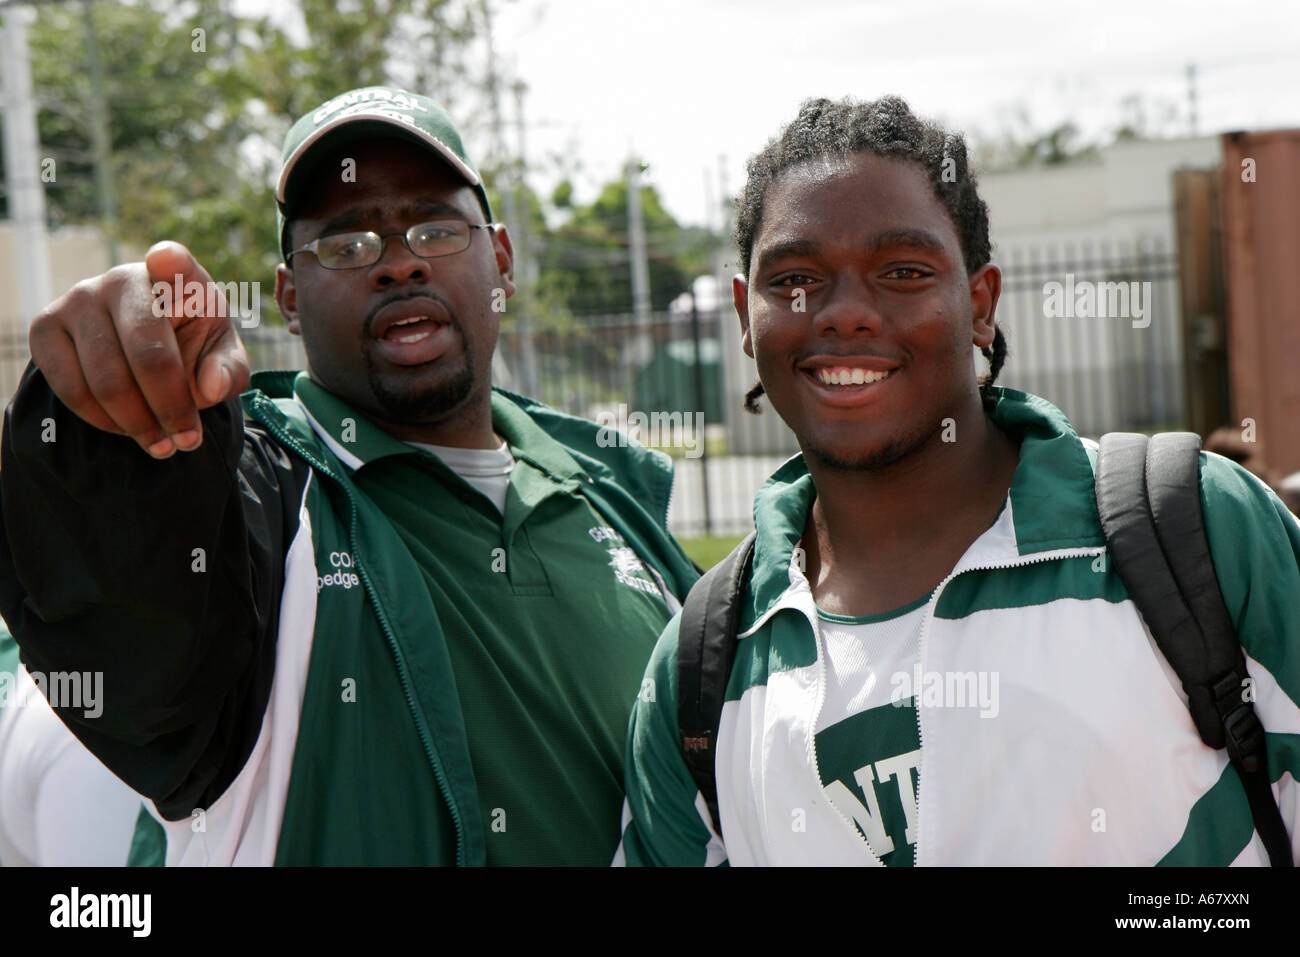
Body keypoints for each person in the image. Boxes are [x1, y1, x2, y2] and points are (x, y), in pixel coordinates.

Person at [0, 86, 698, 866]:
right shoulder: (270, 504)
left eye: (435, 228)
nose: (397, 263)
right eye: (346, 244)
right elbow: (132, 571)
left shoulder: (613, 499)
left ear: (500, 257)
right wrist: (104, 426)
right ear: (290, 297)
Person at [617, 96, 1300, 866]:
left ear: (979, 304)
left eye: (903, 271)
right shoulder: (701, 666)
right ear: (745, 315)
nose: (845, 313)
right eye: (796, 277)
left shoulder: (1194, 528)